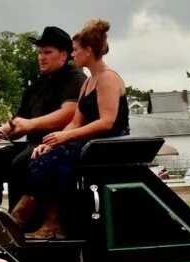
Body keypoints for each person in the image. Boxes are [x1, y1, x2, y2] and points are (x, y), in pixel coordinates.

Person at [13, 19, 130, 238]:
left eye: (75, 50)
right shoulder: (88, 82)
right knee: (42, 155)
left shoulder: (108, 79)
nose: (73, 54)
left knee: (56, 160)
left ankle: (34, 219)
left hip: (108, 142)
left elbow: (107, 122)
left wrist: (65, 138)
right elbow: (76, 122)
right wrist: (51, 141)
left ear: (88, 51)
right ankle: (35, 219)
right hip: (89, 140)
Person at [0, 26, 86, 215]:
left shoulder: (75, 79)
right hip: (32, 145)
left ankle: (19, 225)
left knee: (20, 163)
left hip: (59, 146)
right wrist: (2, 130)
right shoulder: (36, 85)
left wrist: (31, 124)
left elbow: (70, 113)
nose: (41, 57)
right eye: (39, 52)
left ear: (64, 55)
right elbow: (19, 119)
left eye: (47, 52)